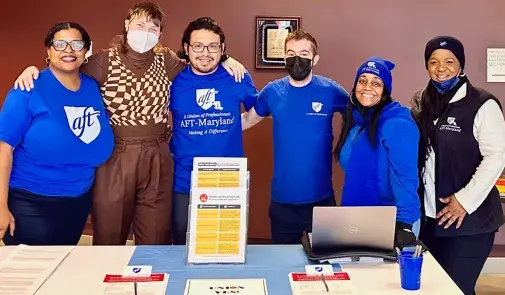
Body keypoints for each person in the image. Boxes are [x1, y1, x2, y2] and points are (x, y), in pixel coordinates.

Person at [12, 2, 246, 246]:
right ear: (127, 25)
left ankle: (154, 282)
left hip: (158, 153)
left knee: (156, 236)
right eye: (139, 24)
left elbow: (201, 62)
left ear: (159, 33)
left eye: (153, 27)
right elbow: (66, 66)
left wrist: (227, 60)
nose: (145, 32)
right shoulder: (103, 60)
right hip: (116, 154)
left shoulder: (166, 59)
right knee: (110, 233)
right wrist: (33, 70)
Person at [0, 22, 114, 245]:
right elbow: (3, 149)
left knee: (62, 268)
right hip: (30, 202)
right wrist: (0, 206)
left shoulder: (93, 87)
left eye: (76, 44)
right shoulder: (28, 88)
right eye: (60, 44)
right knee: (31, 273)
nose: (68, 50)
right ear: (48, 50)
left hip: (78, 201)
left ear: (86, 50)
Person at [410, 35, 505, 295]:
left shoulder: (482, 103)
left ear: (461, 66)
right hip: (429, 220)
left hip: (470, 223)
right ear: (427, 66)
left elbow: (496, 156)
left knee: (455, 289)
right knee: (430, 288)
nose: (441, 68)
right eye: (434, 61)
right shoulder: (420, 101)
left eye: (449, 61)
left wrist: (463, 201)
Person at [241, 30, 349, 244]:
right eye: (291, 53)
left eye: (303, 53)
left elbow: (360, 117)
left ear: (315, 59)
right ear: (284, 57)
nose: (296, 59)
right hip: (283, 202)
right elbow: (246, 121)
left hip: (321, 200)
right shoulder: (272, 91)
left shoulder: (330, 90)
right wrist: (210, 124)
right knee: (283, 265)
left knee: (324, 266)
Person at [169, 17, 258, 245]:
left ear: (222, 50)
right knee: (183, 244)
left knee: (224, 246)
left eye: (213, 46)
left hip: (226, 178)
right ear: (186, 48)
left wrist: (239, 124)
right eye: (197, 46)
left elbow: (258, 110)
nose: (205, 53)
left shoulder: (236, 76)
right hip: (184, 179)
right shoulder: (172, 79)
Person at [333, 57, 420, 249]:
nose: (367, 87)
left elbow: (405, 177)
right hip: (357, 218)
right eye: (362, 80)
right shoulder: (357, 122)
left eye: (376, 83)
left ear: (386, 90)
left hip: (393, 222)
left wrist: (404, 225)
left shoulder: (398, 123)